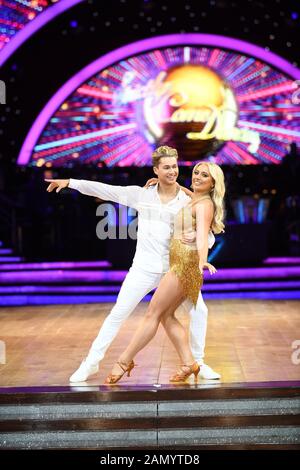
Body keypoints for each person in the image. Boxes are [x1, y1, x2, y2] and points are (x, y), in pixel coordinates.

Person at [45, 146, 220, 382]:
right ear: (156, 170)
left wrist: (201, 243)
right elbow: (106, 190)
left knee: (200, 311)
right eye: (166, 167)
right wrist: (71, 182)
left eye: (175, 167)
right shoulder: (142, 194)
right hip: (143, 269)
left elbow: (206, 232)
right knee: (118, 314)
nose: (172, 171)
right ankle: (91, 363)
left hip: (175, 269)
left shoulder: (187, 199)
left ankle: (197, 362)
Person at [104, 161, 225, 384]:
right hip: (178, 263)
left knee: (153, 314)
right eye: (196, 172)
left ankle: (124, 361)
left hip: (185, 265)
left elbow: (201, 237)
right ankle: (189, 363)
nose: (197, 177)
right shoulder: (194, 198)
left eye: (204, 176)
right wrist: (165, 183)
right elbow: (188, 193)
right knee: (166, 316)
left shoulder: (204, 204)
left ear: (212, 183)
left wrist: (202, 261)